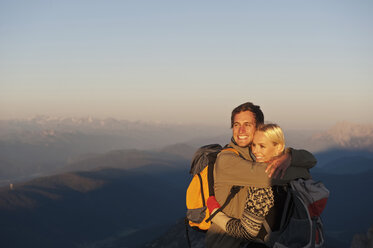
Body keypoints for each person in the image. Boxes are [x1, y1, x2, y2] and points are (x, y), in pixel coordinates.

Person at [205, 102, 316, 248]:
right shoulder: (227, 160)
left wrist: (289, 156)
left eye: (247, 124)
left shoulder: (256, 154)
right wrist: (303, 171)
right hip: (226, 242)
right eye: (236, 124)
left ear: (259, 127)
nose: (241, 130)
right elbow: (269, 177)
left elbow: (311, 159)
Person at [208, 123, 290, 243]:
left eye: (262, 146)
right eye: (254, 145)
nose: (256, 151)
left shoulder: (260, 184)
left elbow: (246, 232)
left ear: (278, 147)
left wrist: (215, 214)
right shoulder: (293, 171)